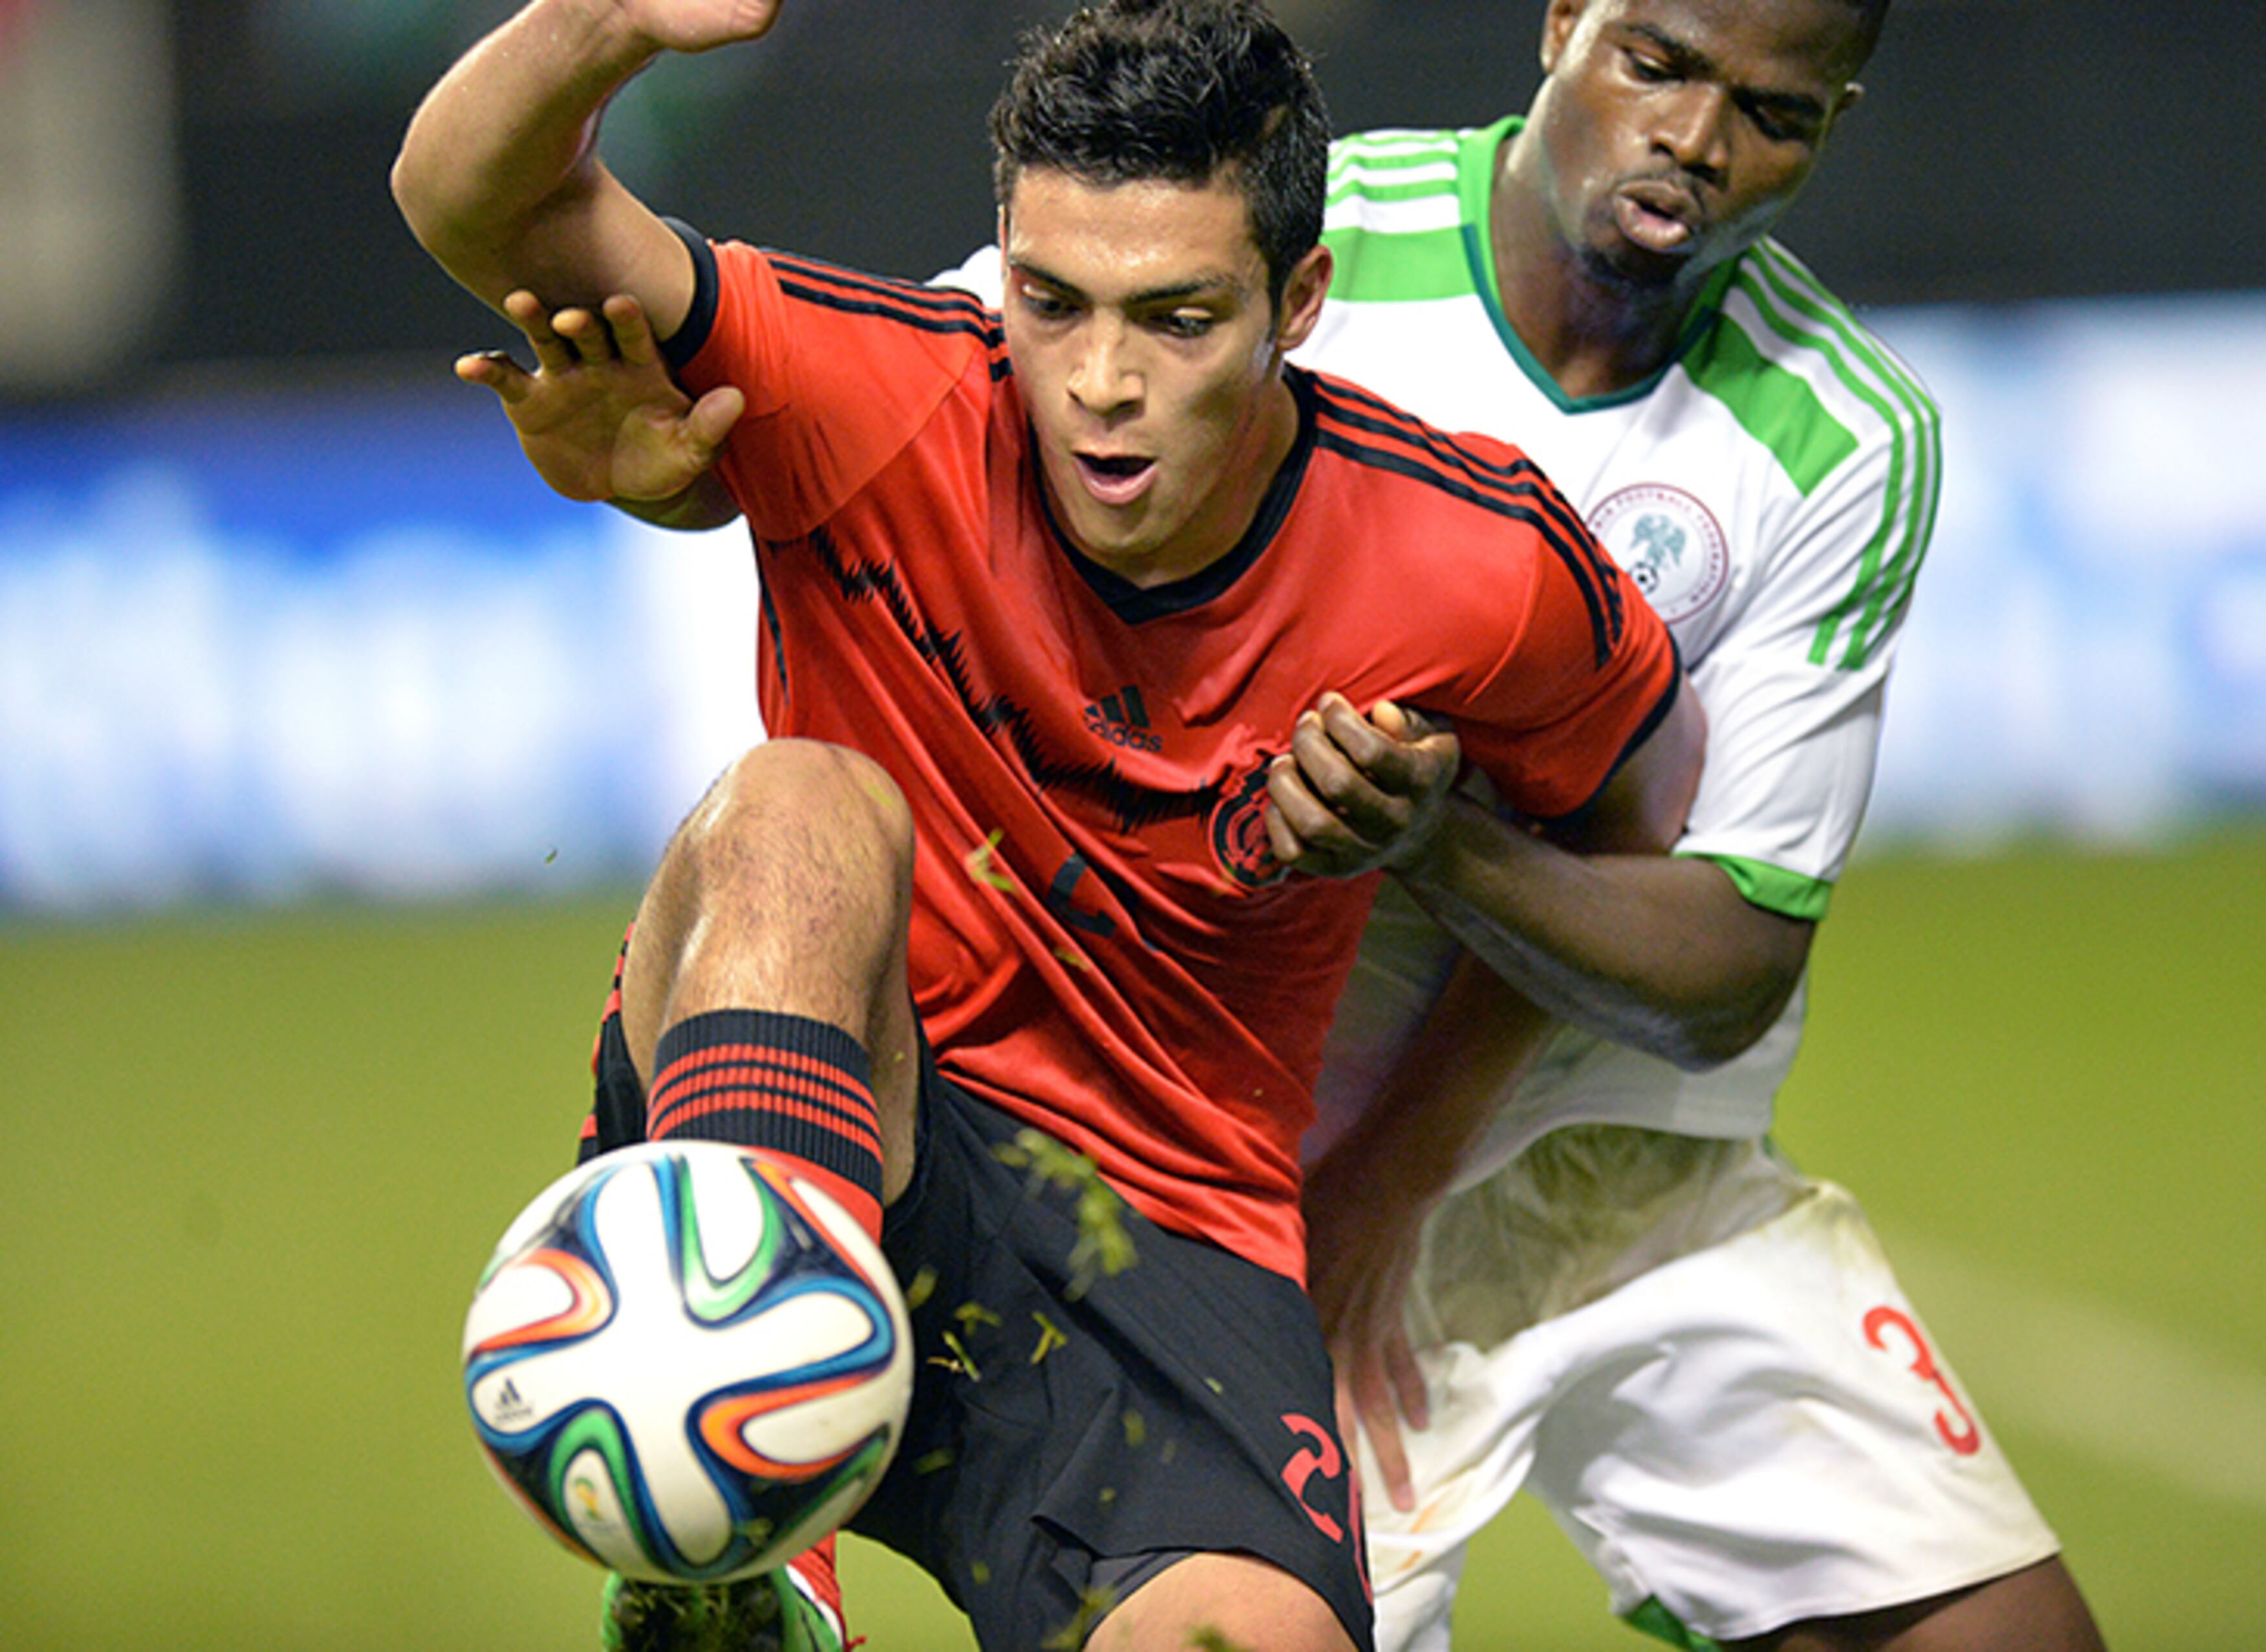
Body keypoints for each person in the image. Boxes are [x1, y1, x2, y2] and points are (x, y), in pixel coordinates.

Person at [391, 3, 1698, 1650]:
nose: (1098, 384)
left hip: (1169, 1235)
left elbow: (1644, 838)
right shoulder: (877, 394)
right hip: (853, 1112)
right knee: (798, 800)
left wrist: (1443, 842)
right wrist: (606, 23)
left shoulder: (1480, 564)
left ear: (1298, 302)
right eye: (1050, 302)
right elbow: (467, 201)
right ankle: (747, 1552)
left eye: (1176, 318)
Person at [1285, 3, 2111, 1649]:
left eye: (1775, 114)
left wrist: (1438, 845)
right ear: (1560, 24)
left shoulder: (1848, 435)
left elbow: (1724, 954)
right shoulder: (1297, 243)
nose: (1698, 141)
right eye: (1653, 63)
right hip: (1260, 1193)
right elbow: (934, 406)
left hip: (1622, 1176)